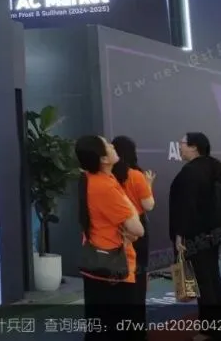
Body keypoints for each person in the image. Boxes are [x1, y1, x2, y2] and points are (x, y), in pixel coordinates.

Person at [76, 135, 144, 339]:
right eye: (107, 145)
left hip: (98, 262)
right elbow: (138, 229)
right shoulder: (104, 186)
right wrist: (130, 208)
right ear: (103, 159)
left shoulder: (91, 178)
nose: (112, 146)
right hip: (114, 267)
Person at [170, 132, 221, 341]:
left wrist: (180, 235)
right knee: (213, 278)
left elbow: (185, 207)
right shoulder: (215, 166)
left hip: (195, 235)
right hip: (213, 232)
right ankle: (219, 326)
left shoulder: (191, 172)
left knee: (204, 282)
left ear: (194, 147)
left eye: (182, 143)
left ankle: (210, 330)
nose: (180, 146)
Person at [112, 135, 156, 338]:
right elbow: (148, 205)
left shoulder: (108, 176)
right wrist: (149, 185)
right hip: (136, 228)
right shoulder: (136, 176)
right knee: (137, 278)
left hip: (115, 230)